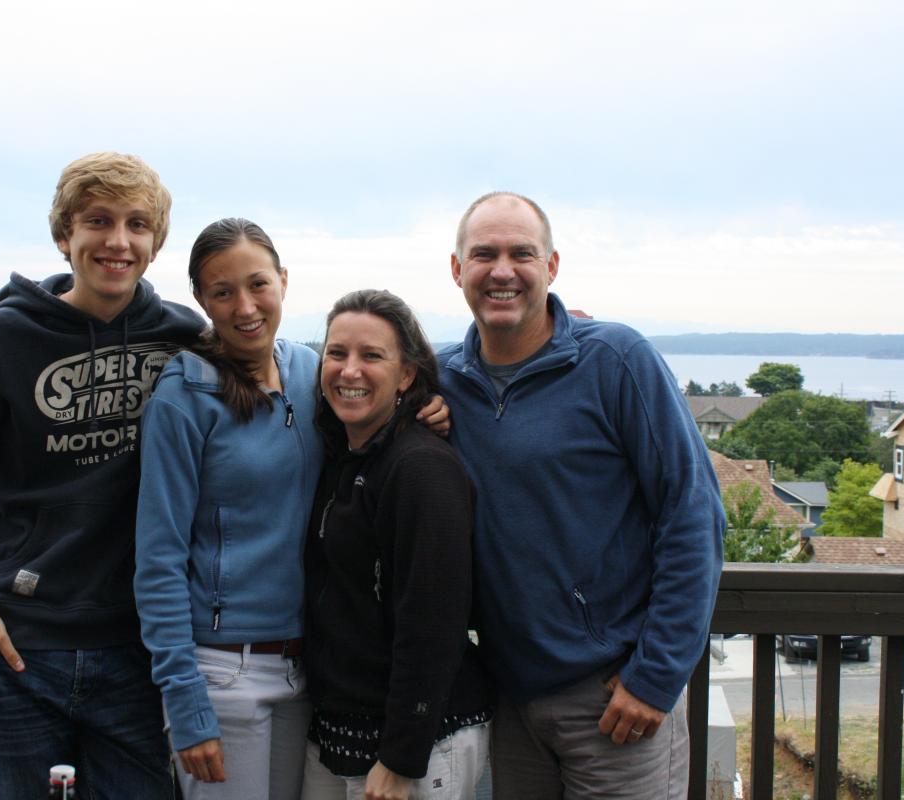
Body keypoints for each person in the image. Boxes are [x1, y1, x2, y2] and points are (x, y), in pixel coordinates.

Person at [0, 152, 206, 800]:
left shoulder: (186, 341)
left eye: (137, 224)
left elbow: (275, 397)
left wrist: (418, 401)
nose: (118, 240)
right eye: (98, 221)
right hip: (18, 651)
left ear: (155, 243)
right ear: (65, 235)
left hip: (140, 651)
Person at [437, 192, 725, 799]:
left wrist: (655, 676)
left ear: (553, 266)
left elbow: (692, 515)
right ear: (457, 269)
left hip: (614, 700)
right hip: (510, 699)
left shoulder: (617, 360)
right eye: (484, 254)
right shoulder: (442, 383)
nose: (503, 270)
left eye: (523, 253)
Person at [134, 217, 320, 800]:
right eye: (223, 291)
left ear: (284, 281)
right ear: (201, 300)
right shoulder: (184, 397)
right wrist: (185, 703)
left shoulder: (314, 373)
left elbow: (390, 395)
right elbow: (158, 559)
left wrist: (431, 408)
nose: (245, 306)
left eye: (258, 284)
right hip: (222, 673)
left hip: (308, 666)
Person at [301, 289, 491, 800]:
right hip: (335, 728)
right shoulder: (342, 455)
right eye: (336, 353)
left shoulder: (420, 468)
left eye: (372, 356)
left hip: (418, 743)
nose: (349, 370)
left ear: (407, 375)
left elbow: (434, 620)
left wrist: (401, 754)